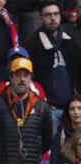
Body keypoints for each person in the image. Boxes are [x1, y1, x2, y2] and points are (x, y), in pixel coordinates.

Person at [26, 1, 81, 134]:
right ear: (41, 18)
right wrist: (41, 102)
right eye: (48, 15)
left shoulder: (72, 40)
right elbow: (29, 79)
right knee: (51, 152)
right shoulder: (32, 44)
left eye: (56, 14)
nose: (53, 18)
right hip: (48, 108)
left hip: (73, 108)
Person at [49, 93, 81, 164]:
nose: (76, 112)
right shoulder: (60, 137)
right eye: (72, 109)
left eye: (79, 108)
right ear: (67, 112)